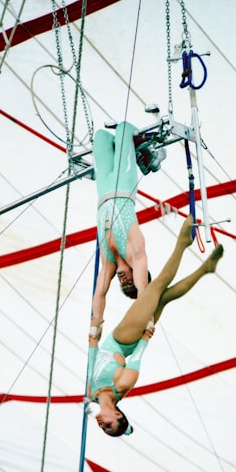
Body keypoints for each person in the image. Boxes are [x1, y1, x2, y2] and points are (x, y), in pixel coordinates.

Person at [87, 215, 224, 437]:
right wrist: (145, 337)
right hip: (126, 339)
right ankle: (182, 242)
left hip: (123, 340)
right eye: (109, 426)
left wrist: (93, 339)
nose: (102, 425)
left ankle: (205, 269)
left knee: (165, 296)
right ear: (119, 415)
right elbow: (137, 357)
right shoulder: (122, 386)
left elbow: (91, 361)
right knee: (158, 285)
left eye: (103, 429)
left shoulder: (90, 391)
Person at [90, 121, 150, 339]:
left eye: (123, 286)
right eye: (130, 283)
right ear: (138, 275)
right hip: (124, 186)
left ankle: (134, 150)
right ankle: (144, 154)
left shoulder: (108, 263)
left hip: (104, 190)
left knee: (100, 138)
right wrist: (146, 321)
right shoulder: (136, 252)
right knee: (124, 128)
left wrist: (95, 325)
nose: (125, 282)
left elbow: (100, 293)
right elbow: (144, 293)